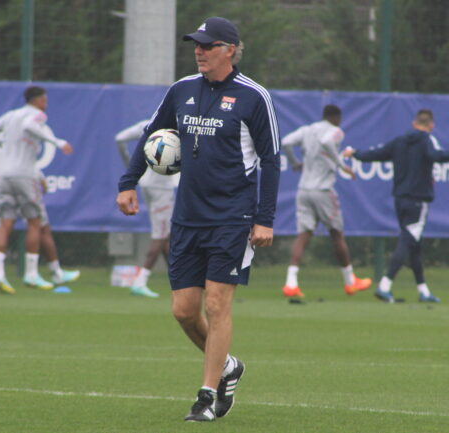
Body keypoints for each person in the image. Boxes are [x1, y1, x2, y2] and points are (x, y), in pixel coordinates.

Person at [116, 17, 280, 422]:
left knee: (217, 303)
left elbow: (271, 160)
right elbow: (151, 134)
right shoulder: (182, 90)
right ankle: (227, 366)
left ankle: (207, 396)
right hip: (187, 216)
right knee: (184, 311)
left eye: (207, 45)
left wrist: (264, 218)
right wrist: (128, 182)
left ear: (230, 49)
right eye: (196, 45)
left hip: (233, 217)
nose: (199, 50)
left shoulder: (253, 96)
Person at [352, 109, 449, 303]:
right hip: (418, 201)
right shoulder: (427, 140)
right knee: (407, 241)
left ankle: (423, 291)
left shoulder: (399, 142)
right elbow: (438, 156)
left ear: (414, 124)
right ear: (431, 126)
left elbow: (376, 154)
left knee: (414, 246)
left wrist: (355, 153)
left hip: (400, 200)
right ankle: (385, 285)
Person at [0, 86, 73, 294]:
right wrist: (57, 142)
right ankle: (31, 274)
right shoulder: (36, 115)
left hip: (3, 175)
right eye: (45, 100)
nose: (46, 104)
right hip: (24, 174)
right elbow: (30, 126)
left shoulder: (10, 115)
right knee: (34, 222)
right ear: (39, 100)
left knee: (4, 224)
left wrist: (2, 144)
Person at [280, 104, 372, 298]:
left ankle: (291, 283)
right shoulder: (336, 131)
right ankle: (349, 281)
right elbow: (326, 141)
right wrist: (341, 165)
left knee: (303, 235)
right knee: (336, 234)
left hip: (303, 190)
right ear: (336, 118)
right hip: (322, 191)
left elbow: (286, 142)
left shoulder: (307, 129)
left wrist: (295, 163)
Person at [0, 143, 79, 291]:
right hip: (26, 183)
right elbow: (28, 163)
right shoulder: (27, 132)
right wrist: (41, 178)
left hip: (4, 184)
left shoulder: (2, 136)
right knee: (39, 225)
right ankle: (44, 273)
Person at [115, 119, 178, 298]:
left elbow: (119, 138)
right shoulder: (175, 126)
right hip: (161, 187)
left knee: (165, 235)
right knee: (160, 235)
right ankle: (140, 281)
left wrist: (131, 166)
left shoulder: (147, 123)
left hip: (145, 183)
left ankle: (178, 279)